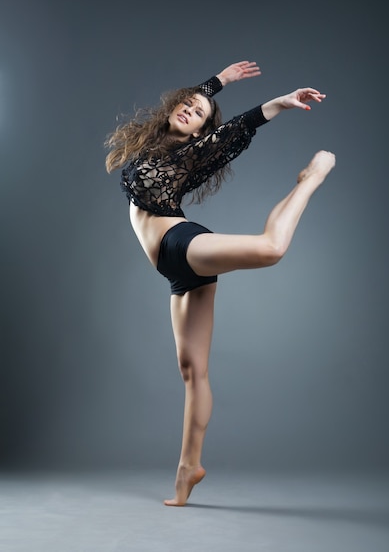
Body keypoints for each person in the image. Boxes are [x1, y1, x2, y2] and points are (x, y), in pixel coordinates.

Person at [105, 61, 335, 506]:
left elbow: (234, 132)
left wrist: (278, 104)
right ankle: (188, 470)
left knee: (271, 248)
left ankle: (309, 180)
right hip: (173, 267)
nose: (191, 109)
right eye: (187, 103)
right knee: (193, 371)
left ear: (200, 136)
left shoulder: (185, 156)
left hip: (180, 243)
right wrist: (217, 84)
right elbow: (191, 102)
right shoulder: (156, 143)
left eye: (200, 112)